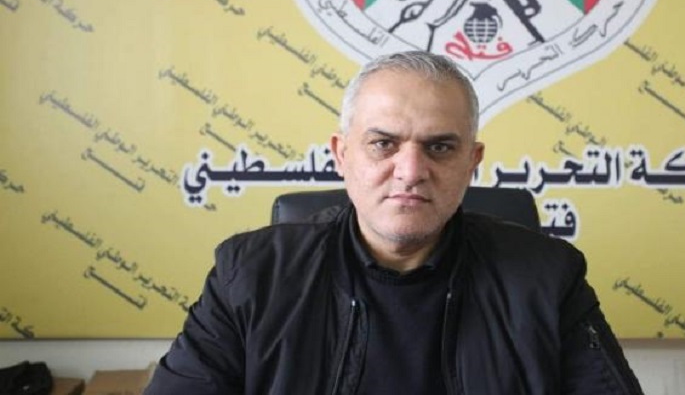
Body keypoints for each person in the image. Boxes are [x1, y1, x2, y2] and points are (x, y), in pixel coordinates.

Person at [145, 51, 643, 394]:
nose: (410, 171)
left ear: (472, 162)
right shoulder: (250, 274)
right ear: (342, 155)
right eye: (383, 144)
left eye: (440, 147)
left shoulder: (548, 278)